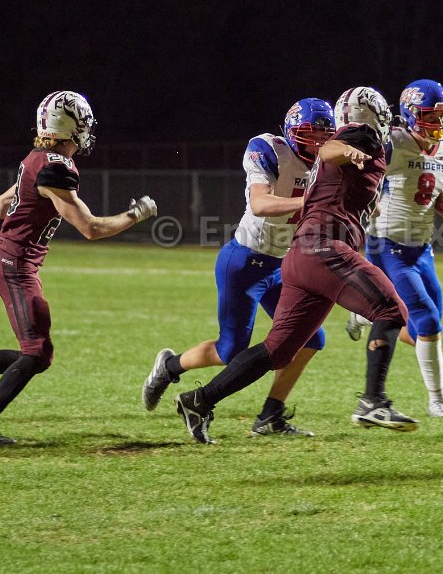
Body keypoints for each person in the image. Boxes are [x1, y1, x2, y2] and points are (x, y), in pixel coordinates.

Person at [172, 87, 414, 444]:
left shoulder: (336, 154)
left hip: (300, 255)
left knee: (278, 350)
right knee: (391, 309)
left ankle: (199, 400)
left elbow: (344, 180)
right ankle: (373, 401)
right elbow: (332, 149)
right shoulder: (357, 137)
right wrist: (347, 150)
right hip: (322, 247)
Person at [0, 91, 158, 444]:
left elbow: (2, 202)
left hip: (12, 262)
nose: (87, 130)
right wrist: (135, 214)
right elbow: (91, 228)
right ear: (70, 126)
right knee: (36, 353)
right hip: (16, 266)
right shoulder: (55, 168)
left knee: (38, 354)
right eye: (84, 123)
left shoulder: (37, 158)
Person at [139, 99, 336, 436]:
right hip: (245, 260)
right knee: (231, 350)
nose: (318, 142)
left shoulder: (329, 162)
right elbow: (259, 203)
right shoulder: (269, 149)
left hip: (284, 263)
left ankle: (271, 415)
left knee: (311, 338)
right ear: (292, 132)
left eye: (324, 135)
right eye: (310, 133)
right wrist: (309, 201)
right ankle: (169, 366)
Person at [345, 79, 443, 421]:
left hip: (422, 249)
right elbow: (361, 177)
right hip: (387, 244)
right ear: (411, 114)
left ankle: (364, 312)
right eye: (431, 116)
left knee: (420, 330)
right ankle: (438, 400)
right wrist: (366, 203)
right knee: (427, 319)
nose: (440, 123)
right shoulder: (393, 143)